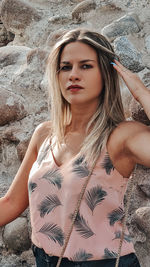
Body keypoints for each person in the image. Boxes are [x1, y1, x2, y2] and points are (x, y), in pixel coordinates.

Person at [0, 28, 150, 267]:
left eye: (86, 66)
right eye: (66, 67)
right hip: (45, 260)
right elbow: (11, 203)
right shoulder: (45, 134)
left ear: (106, 73)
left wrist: (141, 91)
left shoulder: (122, 136)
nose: (74, 75)